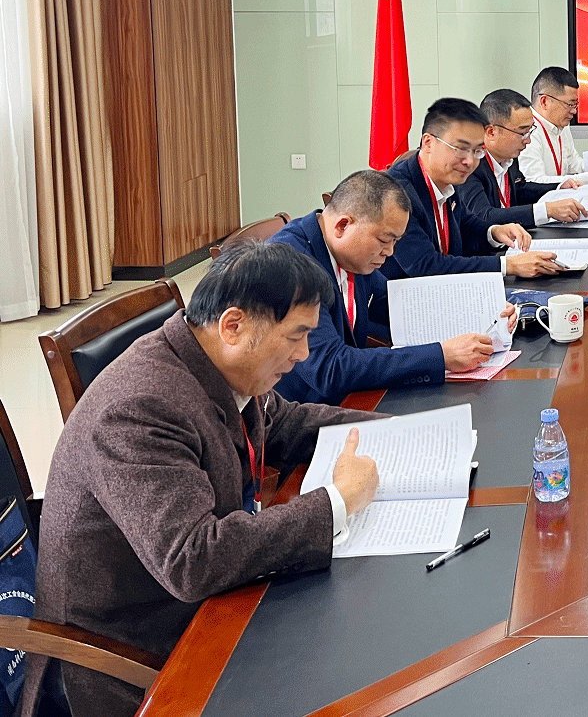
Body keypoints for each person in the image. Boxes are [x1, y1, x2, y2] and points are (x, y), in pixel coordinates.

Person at [32, 242, 383, 717]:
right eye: (296, 336)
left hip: (206, 599)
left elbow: (285, 423)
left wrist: (400, 431)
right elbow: (193, 560)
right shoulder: (140, 408)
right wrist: (337, 502)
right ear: (233, 326)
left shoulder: (215, 360)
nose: (304, 354)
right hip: (136, 647)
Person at [270, 170, 515, 405]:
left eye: (395, 241)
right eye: (384, 240)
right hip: (305, 412)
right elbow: (330, 369)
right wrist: (441, 356)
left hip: (348, 397)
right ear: (343, 225)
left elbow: (398, 305)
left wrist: (483, 312)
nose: (390, 252)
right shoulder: (291, 266)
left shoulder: (349, 254)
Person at [383, 97, 565, 280]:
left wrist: (494, 232)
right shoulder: (396, 192)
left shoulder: (447, 177)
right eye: (461, 149)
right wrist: (509, 265)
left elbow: (466, 224)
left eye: (478, 151)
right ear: (428, 143)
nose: (470, 161)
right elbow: (425, 265)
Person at [457, 88, 588, 228]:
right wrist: (546, 210)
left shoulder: (509, 156)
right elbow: (483, 216)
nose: (528, 140)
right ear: (491, 132)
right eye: (522, 133)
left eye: (530, 131)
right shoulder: (469, 165)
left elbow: (520, 190)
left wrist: (559, 187)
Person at [518, 66, 588, 186]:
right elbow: (535, 181)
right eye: (569, 104)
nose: (574, 111)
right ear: (544, 102)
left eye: (575, 104)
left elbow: (574, 163)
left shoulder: (561, 124)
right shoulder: (527, 131)